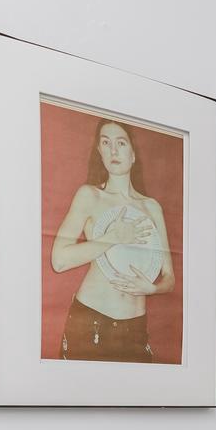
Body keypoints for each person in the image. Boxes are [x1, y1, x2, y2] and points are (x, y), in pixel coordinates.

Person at [49, 119, 175, 361]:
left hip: (136, 329)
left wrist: (154, 288)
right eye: (106, 143)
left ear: (133, 154)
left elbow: (169, 278)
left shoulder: (152, 208)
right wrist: (112, 238)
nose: (113, 150)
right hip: (90, 323)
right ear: (99, 151)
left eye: (121, 143)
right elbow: (59, 261)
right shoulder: (90, 196)